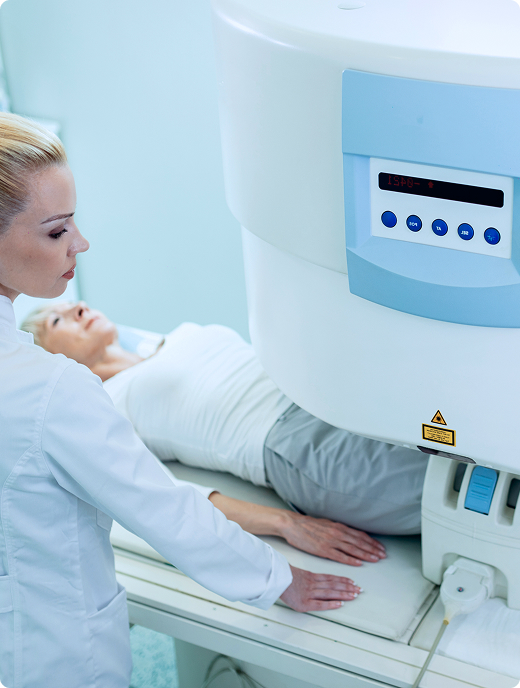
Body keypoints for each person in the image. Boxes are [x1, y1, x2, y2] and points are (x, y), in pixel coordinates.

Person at [0, 113, 360, 688]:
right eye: (56, 231)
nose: (81, 243)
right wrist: (278, 577)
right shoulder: (51, 389)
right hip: (53, 658)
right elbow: (161, 507)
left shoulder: (69, 374)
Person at [23, 299, 428, 541]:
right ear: (49, 358)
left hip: (333, 398)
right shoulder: (108, 402)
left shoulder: (173, 337)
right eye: (57, 320)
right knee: (457, 496)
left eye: (69, 305)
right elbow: (158, 494)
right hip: (297, 445)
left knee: (472, 451)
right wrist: (284, 524)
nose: (77, 306)